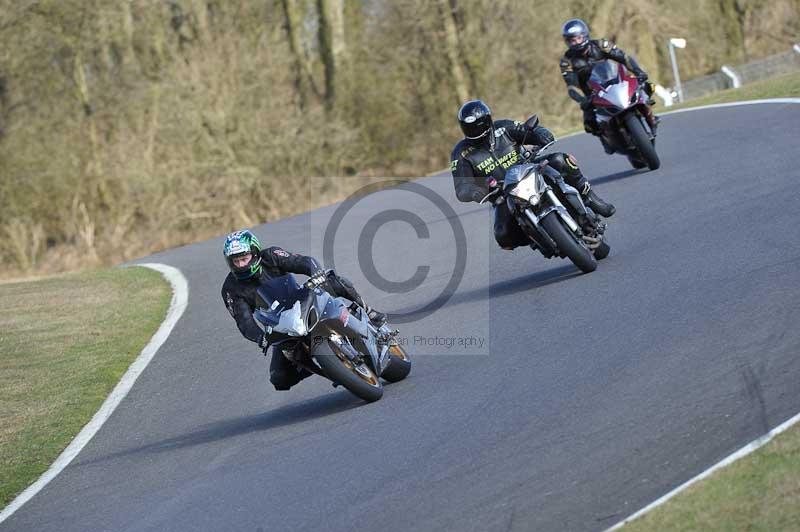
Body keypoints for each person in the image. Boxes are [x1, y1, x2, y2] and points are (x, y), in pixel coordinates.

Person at [220, 229, 386, 391]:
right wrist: (259, 337)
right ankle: (332, 369)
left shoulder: (271, 255)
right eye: (236, 261)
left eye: (244, 259)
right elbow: (243, 320)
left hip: (303, 299)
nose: (241, 265)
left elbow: (301, 261)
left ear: (255, 253)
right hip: (280, 326)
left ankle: (369, 312)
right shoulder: (230, 289)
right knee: (279, 378)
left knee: (334, 281)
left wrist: (316, 273)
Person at [450, 99, 615, 250]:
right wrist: (475, 191)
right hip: (502, 194)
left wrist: (541, 135)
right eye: (469, 128)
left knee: (560, 159)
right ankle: (535, 237)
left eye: (477, 126)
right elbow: (461, 186)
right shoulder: (462, 153)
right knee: (503, 235)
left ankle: (590, 198)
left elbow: (527, 130)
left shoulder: (503, 128)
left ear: (487, 121)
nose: (475, 132)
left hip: (530, 169)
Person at [559, 18, 659, 150]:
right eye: (572, 40)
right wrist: (582, 100)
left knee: (647, 86)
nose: (576, 42)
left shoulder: (601, 45)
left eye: (578, 38)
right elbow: (571, 85)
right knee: (589, 124)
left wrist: (638, 72)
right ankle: (606, 139)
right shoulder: (567, 61)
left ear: (585, 35)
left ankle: (651, 116)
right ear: (567, 42)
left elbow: (623, 57)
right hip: (593, 94)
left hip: (615, 80)